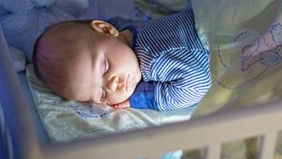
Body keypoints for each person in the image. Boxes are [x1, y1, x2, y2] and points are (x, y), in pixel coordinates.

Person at [32, 11, 211, 111]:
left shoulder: (154, 61)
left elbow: (199, 84)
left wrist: (143, 98)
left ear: (106, 29)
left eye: (104, 67)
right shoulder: (129, 30)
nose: (112, 85)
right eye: (101, 94)